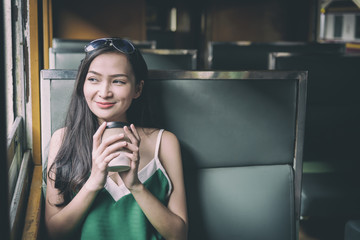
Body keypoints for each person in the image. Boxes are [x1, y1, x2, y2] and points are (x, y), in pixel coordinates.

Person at [45, 38, 188, 240]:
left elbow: (179, 235)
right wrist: (93, 182)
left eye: (118, 81)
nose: (104, 93)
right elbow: (54, 232)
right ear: (82, 84)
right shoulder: (62, 139)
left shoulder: (164, 142)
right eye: (93, 79)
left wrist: (136, 186)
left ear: (137, 89)